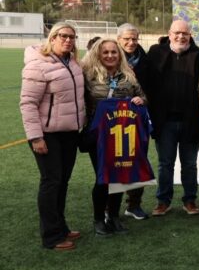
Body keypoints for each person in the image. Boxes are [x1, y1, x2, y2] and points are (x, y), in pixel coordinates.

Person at [20, 22, 86, 250]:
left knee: (62, 182)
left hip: (69, 133)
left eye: (72, 37)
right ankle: (51, 236)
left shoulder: (73, 63)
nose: (68, 40)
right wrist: (36, 137)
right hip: (47, 135)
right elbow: (28, 103)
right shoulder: (38, 64)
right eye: (63, 36)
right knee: (51, 182)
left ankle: (61, 227)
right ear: (52, 37)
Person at [82, 38, 147, 236]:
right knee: (103, 178)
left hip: (122, 134)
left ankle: (114, 217)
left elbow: (143, 97)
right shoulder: (88, 75)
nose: (110, 55)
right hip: (99, 134)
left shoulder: (128, 75)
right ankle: (99, 219)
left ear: (119, 54)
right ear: (98, 54)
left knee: (119, 176)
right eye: (106, 52)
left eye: (114, 52)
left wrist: (140, 100)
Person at [147, 20, 199, 217]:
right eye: (177, 33)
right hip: (164, 122)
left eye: (185, 33)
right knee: (165, 163)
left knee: (189, 163)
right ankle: (163, 200)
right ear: (169, 34)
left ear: (190, 35)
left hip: (192, 120)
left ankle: (190, 199)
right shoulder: (156, 53)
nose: (181, 37)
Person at [116, 23, 151, 220]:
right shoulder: (108, 57)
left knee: (138, 160)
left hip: (138, 120)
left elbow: (151, 90)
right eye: (126, 39)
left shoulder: (145, 60)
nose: (131, 43)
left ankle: (134, 204)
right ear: (118, 39)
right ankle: (110, 207)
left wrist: (144, 100)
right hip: (112, 121)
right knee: (115, 162)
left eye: (134, 39)